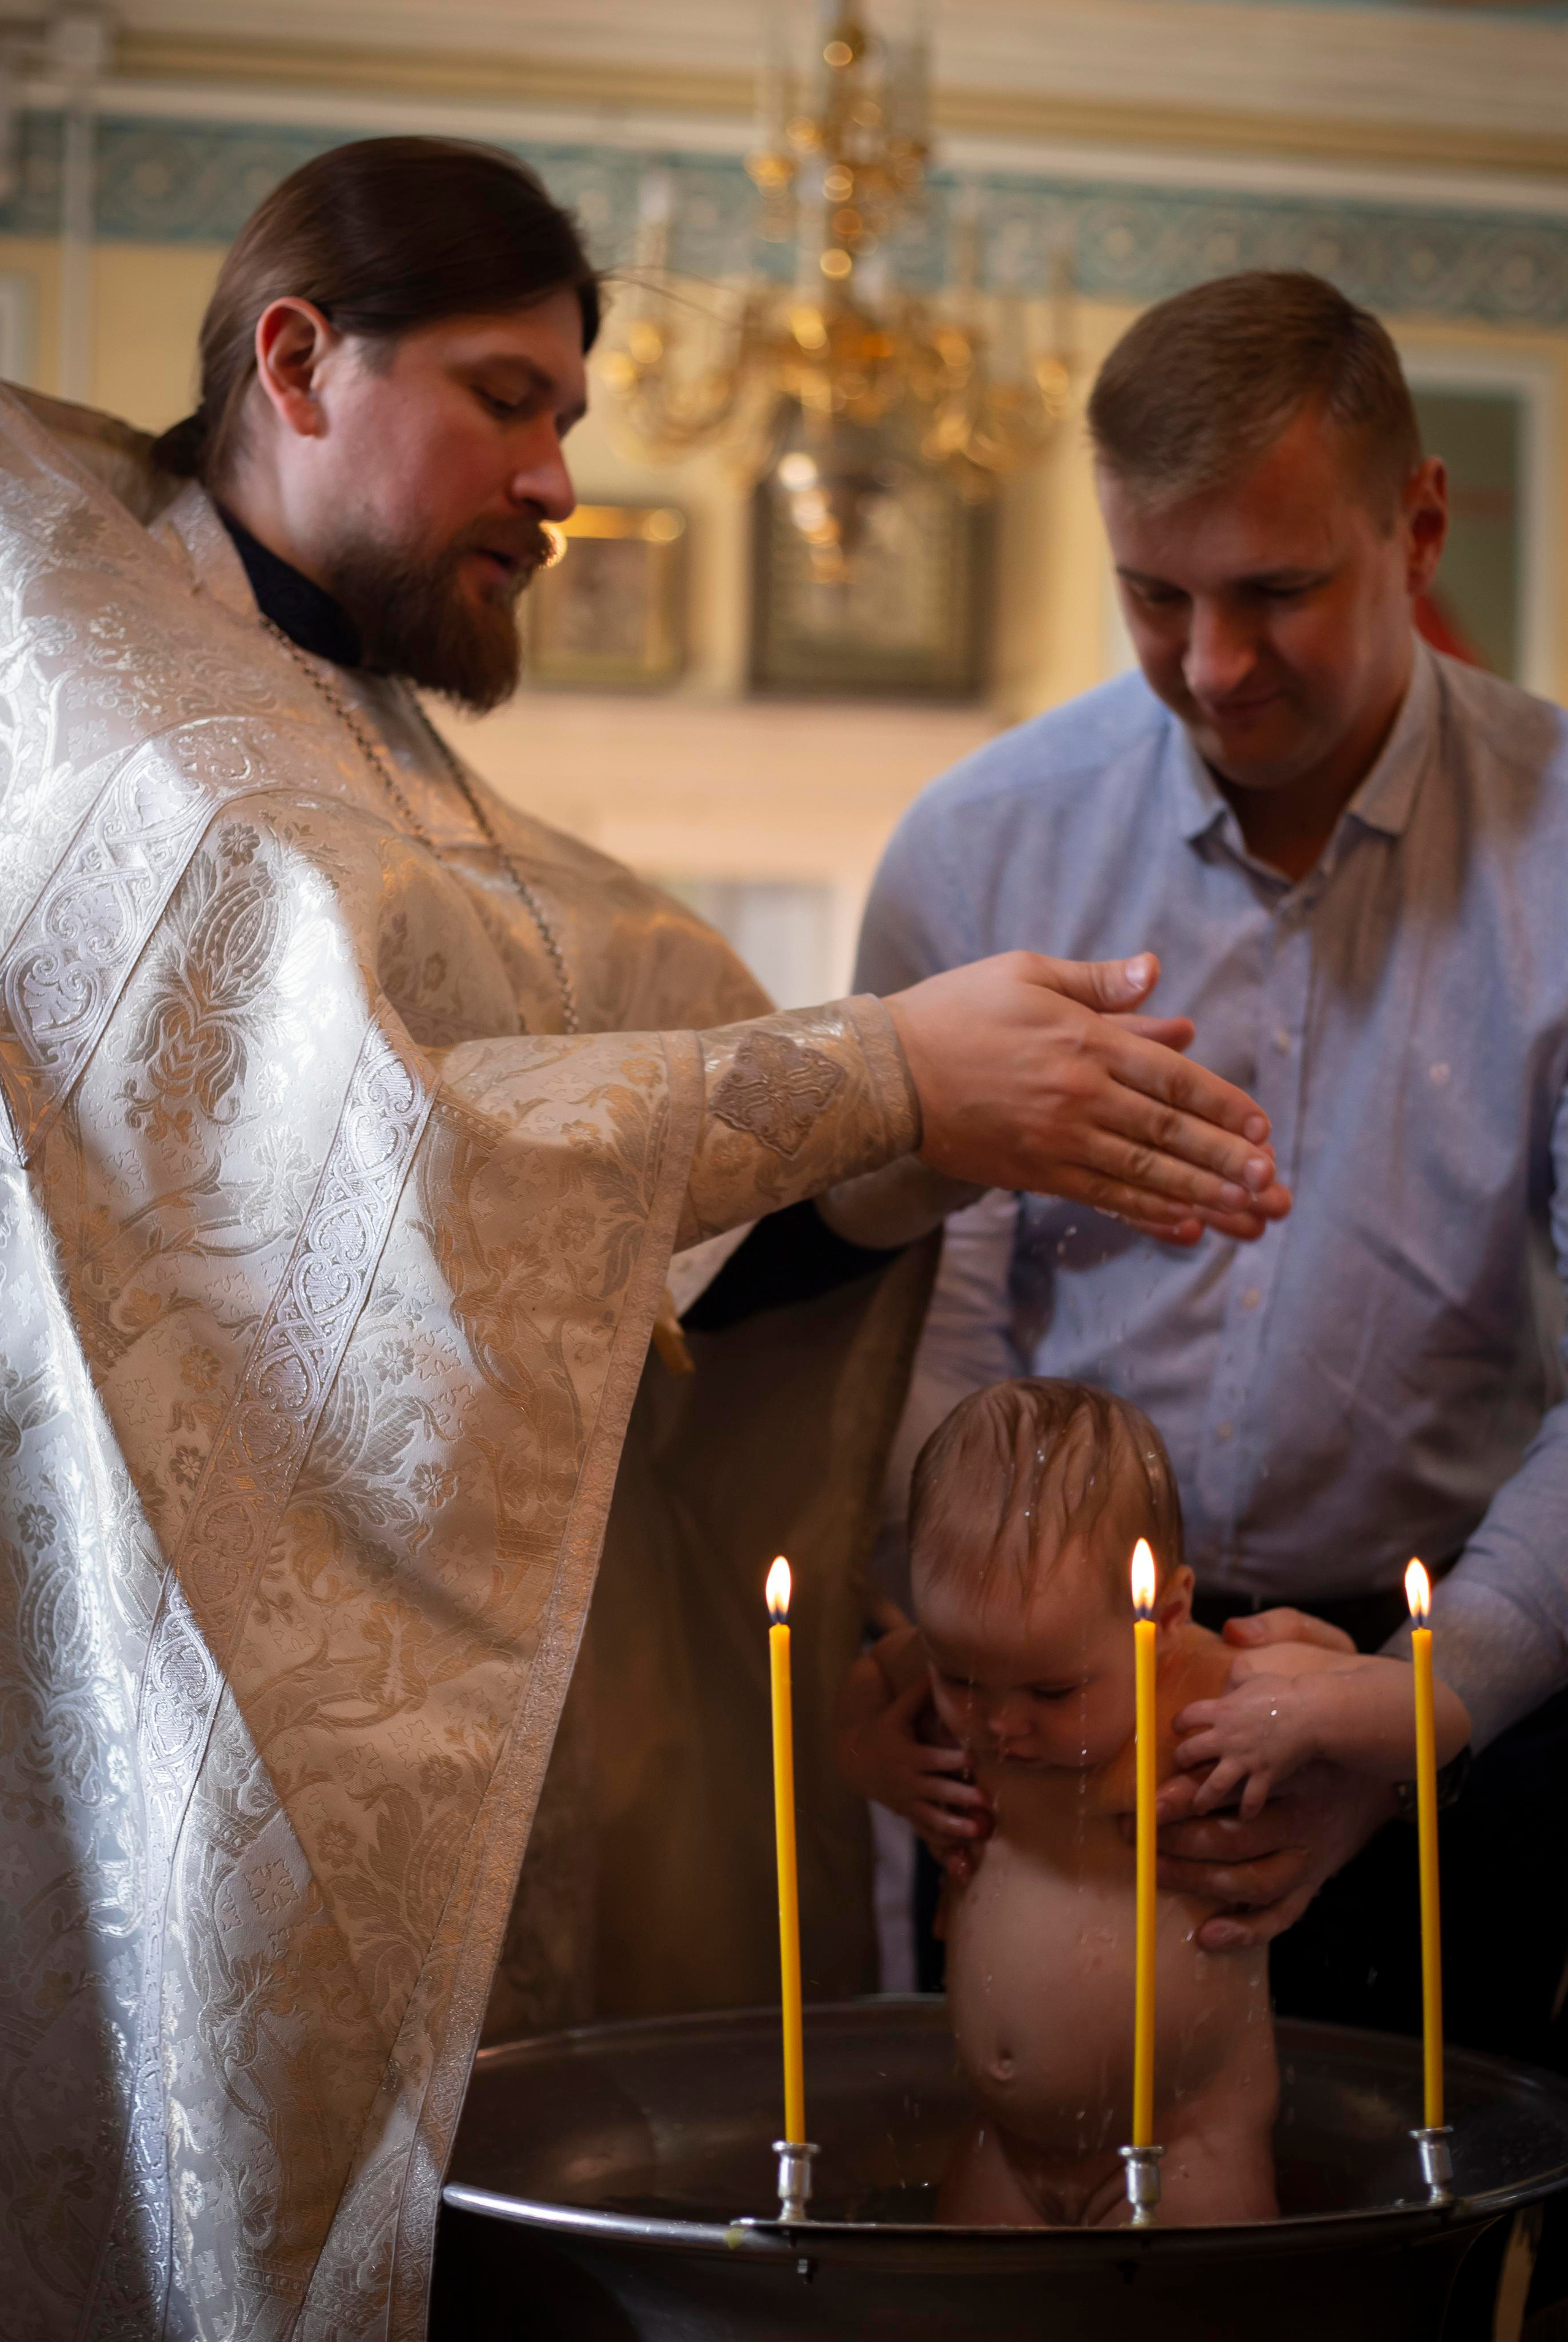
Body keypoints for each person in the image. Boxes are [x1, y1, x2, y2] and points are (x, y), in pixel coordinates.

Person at [0, 140, 1291, 2341]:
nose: (561, 479)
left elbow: (645, 1249)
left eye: (572, 418)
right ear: (298, 364)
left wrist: (922, 1144)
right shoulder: (120, 720)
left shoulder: (409, 776)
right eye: (511, 400)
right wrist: (881, 1077)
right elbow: (356, 1172)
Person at [856, 270, 1568, 2084]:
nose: (1215, 666)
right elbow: (928, 1302)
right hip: (1030, 1665)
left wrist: (1435, 1694)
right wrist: (965, 1647)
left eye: (1276, 591)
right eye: (1155, 598)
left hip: (1426, 1666)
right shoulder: (984, 842)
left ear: (1416, 526)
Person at [845, 1378, 1282, 2227]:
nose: (1002, 1723)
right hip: (1005, 2149)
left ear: (1165, 1613)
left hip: (1184, 2149)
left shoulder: (1202, 1685)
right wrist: (875, 1760)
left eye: (1053, 1690)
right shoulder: (997, 1654)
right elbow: (868, 1680)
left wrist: (1306, 1714)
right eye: (959, 1679)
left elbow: (1408, 1707)